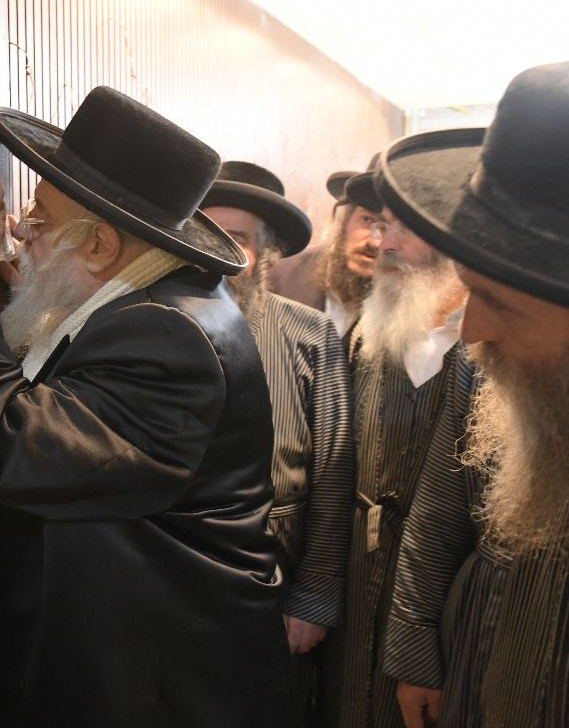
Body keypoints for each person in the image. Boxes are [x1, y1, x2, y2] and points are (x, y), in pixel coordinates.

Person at [0, 86, 291, 727]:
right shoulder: (160, 299)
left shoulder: (165, 337)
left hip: (155, 696)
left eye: (41, 218)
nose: (19, 230)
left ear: (102, 247)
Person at [377, 61, 569, 727]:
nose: (471, 331)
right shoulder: (492, 366)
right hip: (478, 666)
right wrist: (414, 654)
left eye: (498, 301)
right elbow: (439, 511)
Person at [317, 171, 476, 728]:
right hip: (356, 586)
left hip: (453, 607)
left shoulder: (494, 350)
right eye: (382, 225)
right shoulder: (366, 336)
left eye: (404, 228)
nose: (383, 243)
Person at [201, 161, 355, 724]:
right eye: (202, 232)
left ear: (263, 254)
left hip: (278, 582)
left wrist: (313, 597)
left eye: (235, 238)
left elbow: (335, 476)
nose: (215, 252)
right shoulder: (148, 319)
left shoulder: (309, 333)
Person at [270, 160, 382, 342]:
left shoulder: (406, 306)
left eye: (388, 227)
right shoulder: (280, 276)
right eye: (367, 220)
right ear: (345, 219)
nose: (375, 242)